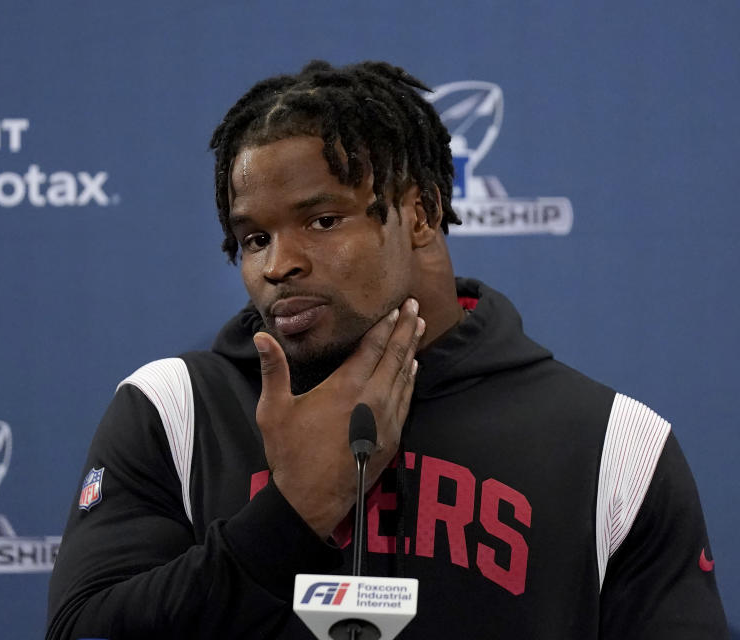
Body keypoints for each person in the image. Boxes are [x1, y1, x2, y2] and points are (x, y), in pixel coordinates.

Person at [46, 61, 728, 639]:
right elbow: (89, 628)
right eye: (254, 238)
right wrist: (289, 516)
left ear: (422, 212)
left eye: (322, 220)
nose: (278, 265)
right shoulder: (174, 411)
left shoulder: (614, 444)